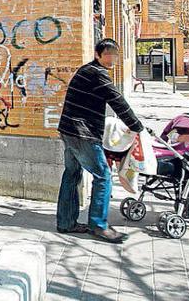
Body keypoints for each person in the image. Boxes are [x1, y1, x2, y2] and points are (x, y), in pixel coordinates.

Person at [56, 38, 145, 243]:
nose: (113, 58)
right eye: (108, 54)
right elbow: (117, 101)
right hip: (81, 133)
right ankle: (99, 225)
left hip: (69, 130)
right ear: (98, 55)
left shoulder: (86, 70)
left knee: (72, 173)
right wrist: (137, 126)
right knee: (103, 175)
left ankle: (66, 222)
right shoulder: (97, 74)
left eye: (115, 54)